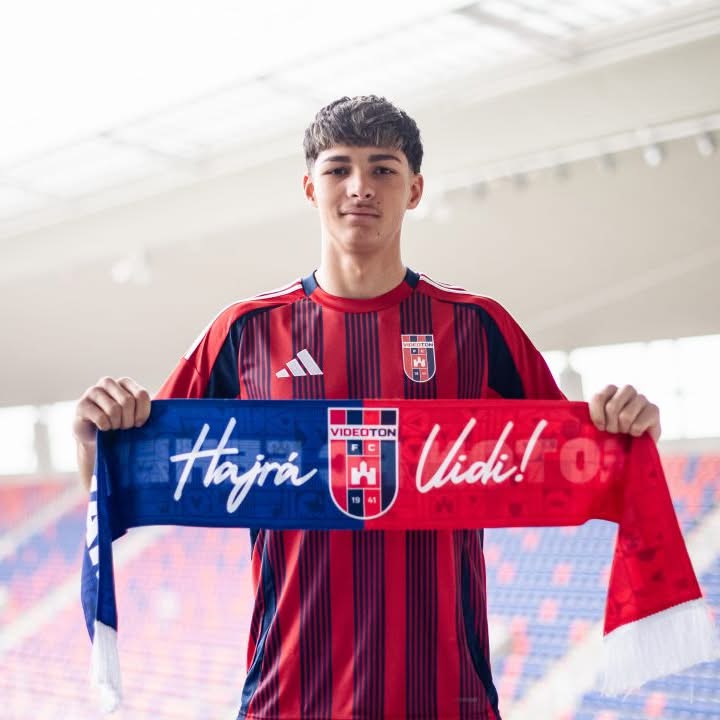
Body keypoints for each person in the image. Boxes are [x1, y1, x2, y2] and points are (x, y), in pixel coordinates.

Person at [73, 95, 661, 720]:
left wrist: (629, 426)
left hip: (446, 699)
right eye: (338, 169)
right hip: (287, 699)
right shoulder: (244, 332)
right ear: (310, 187)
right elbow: (132, 478)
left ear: (415, 190)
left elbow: (578, 463)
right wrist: (92, 439)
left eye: (383, 168)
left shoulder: (477, 326)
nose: (360, 187)